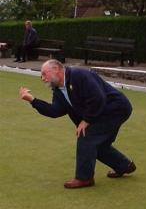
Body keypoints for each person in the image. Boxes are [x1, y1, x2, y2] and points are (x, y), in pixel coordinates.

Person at [19, 59, 136, 189]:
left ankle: (84, 178)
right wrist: (32, 100)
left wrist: (86, 120)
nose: (42, 78)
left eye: (44, 74)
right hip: (101, 112)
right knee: (99, 145)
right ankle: (124, 166)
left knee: (86, 137)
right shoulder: (58, 89)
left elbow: (98, 98)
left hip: (116, 108)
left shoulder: (79, 75)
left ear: (56, 69)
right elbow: (55, 111)